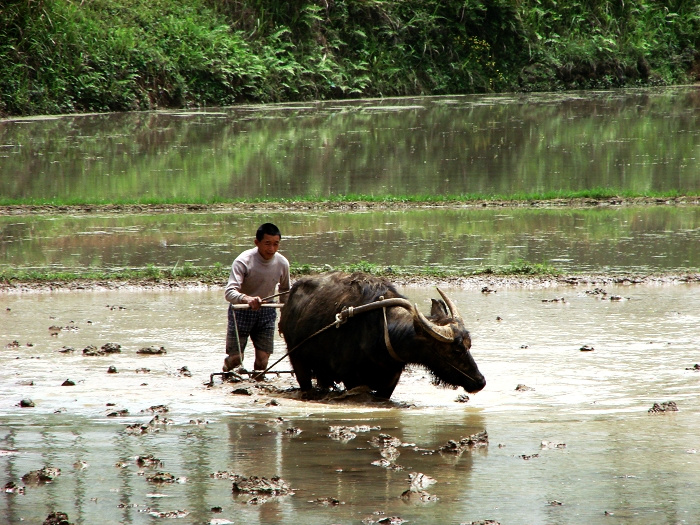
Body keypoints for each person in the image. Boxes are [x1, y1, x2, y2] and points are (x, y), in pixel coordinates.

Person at [223, 223, 290, 375]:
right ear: (257, 242)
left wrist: (285, 317)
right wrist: (247, 299)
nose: (271, 249)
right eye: (267, 244)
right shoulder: (243, 261)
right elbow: (229, 292)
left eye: (276, 244)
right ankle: (227, 371)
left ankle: (258, 389)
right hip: (241, 311)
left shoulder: (282, 263)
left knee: (263, 361)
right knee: (236, 359)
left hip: (267, 311)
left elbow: (285, 291)